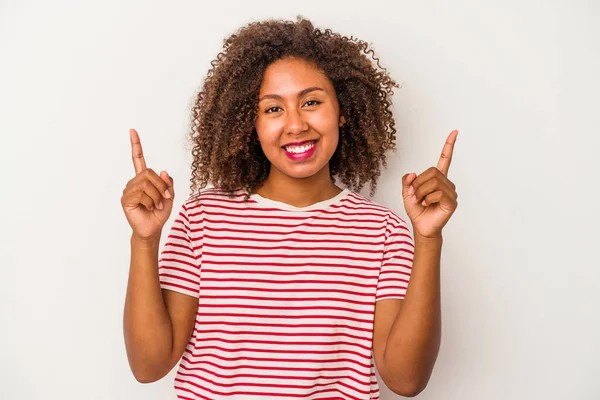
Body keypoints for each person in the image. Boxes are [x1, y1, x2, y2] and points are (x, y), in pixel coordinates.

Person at [121, 16, 459, 400]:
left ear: (343, 109)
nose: (295, 125)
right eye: (273, 109)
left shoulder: (382, 232)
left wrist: (429, 239)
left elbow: (405, 380)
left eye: (311, 102)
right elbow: (148, 367)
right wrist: (144, 240)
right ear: (250, 122)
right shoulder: (203, 219)